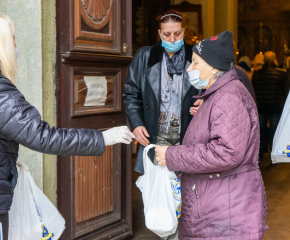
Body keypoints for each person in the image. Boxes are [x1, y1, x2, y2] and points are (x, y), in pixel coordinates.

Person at [0, 15, 135, 240]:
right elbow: (43, 136)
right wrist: (103, 138)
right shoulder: (3, 94)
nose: (15, 47)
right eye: (12, 40)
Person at [155, 31, 268, 240]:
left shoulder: (228, 95)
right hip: (217, 208)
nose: (189, 68)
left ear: (214, 67)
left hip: (224, 213)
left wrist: (171, 156)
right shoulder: (220, 94)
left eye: (196, 63)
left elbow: (226, 152)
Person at [123, 10, 198, 174]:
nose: (172, 39)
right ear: (159, 33)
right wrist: (136, 124)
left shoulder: (195, 57)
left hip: (186, 138)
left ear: (184, 31)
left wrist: (203, 104)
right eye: (167, 34)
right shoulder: (145, 56)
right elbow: (131, 94)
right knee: (155, 193)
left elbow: (208, 91)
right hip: (155, 136)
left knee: (185, 193)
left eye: (177, 34)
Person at [252, 51, 290, 163]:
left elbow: (253, 90)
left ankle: (259, 156)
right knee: (275, 131)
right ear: (274, 60)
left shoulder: (257, 74)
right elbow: (286, 91)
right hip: (276, 107)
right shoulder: (281, 74)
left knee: (260, 132)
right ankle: (274, 155)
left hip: (261, 107)